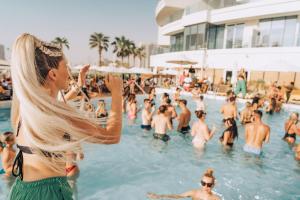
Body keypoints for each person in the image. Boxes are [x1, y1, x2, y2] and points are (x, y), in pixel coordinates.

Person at [9, 34, 123, 200]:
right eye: (66, 66)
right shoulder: (59, 113)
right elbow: (111, 136)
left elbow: (52, 106)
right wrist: (117, 93)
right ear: (53, 74)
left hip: (22, 191)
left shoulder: (25, 109)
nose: (69, 71)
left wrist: (79, 85)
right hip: (50, 194)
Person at [147, 168, 221, 200]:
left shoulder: (216, 199)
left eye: (209, 185)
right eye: (203, 183)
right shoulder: (194, 193)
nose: (205, 186)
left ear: (213, 185)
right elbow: (178, 196)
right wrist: (159, 196)